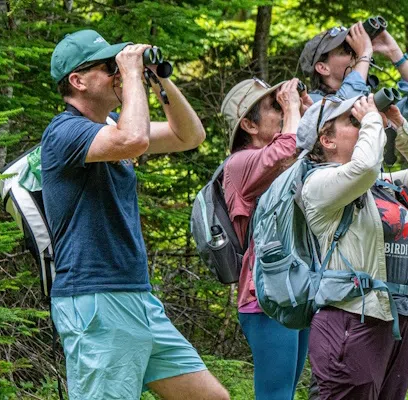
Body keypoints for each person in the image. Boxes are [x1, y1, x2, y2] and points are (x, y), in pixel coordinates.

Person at [41, 29, 229, 400]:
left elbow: (188, 136)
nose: (116, 71)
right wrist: (129, 74)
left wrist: (158, 78)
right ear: (77, 81)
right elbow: (134, 140)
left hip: (135, 295)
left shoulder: (112, 125)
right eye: (108, 66)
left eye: (118, 64)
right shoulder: (64, 132)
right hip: (95, 298)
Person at [296, 95, 408, 399]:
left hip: (395, 317)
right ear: (326, 140)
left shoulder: (381, 184)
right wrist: (372, 120)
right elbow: (364, 167)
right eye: (352, 122)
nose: (363, 124)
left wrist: (400, 126)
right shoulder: (318, 184)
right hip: (350, 318)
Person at [220, 77, 313, 399]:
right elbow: (287, 150)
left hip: (295, 289)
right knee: (275, 396)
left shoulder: (281, 161)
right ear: (248, 124)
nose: (283, 110)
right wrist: (291, 108)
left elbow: (313, 149)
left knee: (285, 392)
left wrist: (306, 109)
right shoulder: (240, 163)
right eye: (273, 107)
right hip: (265, 298)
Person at [299, 22, 408, 124]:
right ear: (323, 68)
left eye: (354, 49)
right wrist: (364, 53)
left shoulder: (368, 104)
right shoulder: (312, 104)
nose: (355, 55)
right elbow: (344, 107)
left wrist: (395, 53)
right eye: (346, 51)